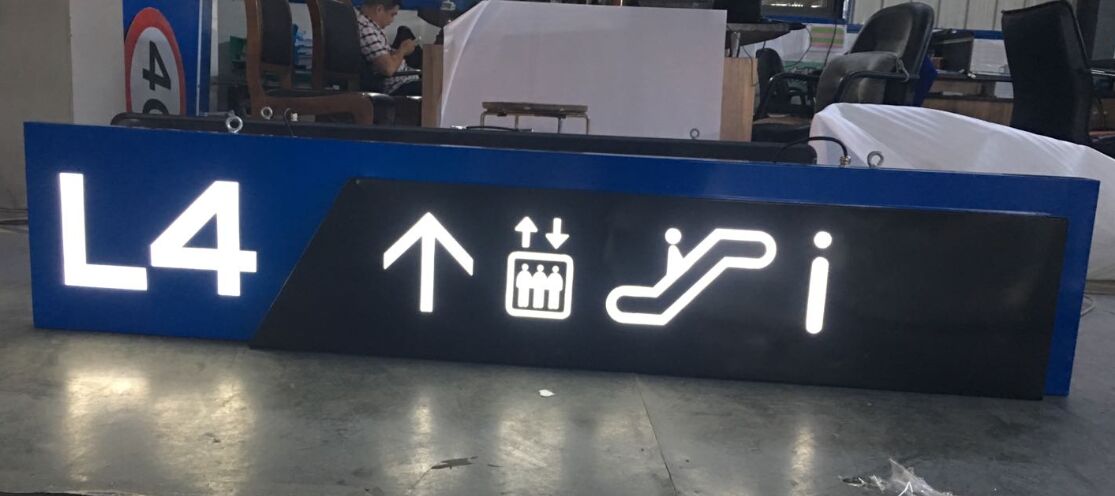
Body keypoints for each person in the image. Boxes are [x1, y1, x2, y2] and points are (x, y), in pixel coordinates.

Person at [353, 0, 422, 96]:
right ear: (379, 9)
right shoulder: (366, 29)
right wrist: (403, 50)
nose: (392, 20)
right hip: (398, 85)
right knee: (436, 87)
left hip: (404, 79)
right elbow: (388, 69)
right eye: (392, 15)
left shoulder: (370, 26)